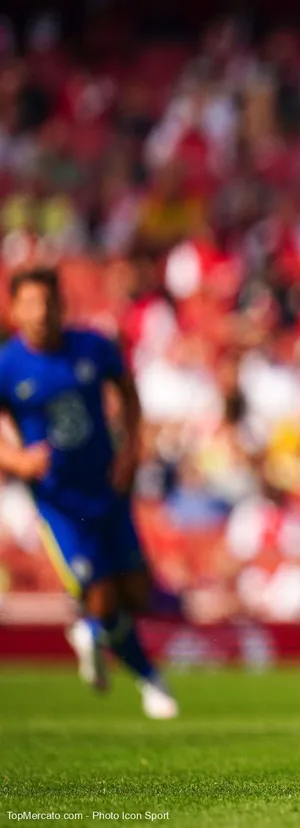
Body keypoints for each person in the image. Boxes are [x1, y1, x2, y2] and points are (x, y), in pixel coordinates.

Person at [0, 268, 178, 719]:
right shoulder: (7, 365)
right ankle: (147, 677)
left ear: (62, 305)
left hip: (108, 487)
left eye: (47, 302)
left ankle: (94, 633)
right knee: (99, 590)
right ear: (15, 310)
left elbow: (128, 394)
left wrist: (131, 451)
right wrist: (17, 461)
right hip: (58, 500)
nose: (40, 312)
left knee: (135, 593)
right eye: (30, 303)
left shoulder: (92, 347)